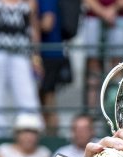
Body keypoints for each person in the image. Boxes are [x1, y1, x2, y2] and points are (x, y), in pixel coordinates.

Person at [0, 0, 44, 138]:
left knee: (26, 94)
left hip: (20, 54)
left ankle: (30, 130)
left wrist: (36, 56)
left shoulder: (29, 2)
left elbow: (33, 28)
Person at [81, 0, 123, 105]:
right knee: (92, 64)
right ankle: (92, 111)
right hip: (93, 17)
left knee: (117, 65)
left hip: (119, 16)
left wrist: (112, 9)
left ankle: (114, 106)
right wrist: (103, 12)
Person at [37, 0, 72, 132]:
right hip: (48, 53)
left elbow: (47, 24)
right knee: (43, 97)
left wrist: (29, 25)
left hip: (50, 54)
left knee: (48, 98)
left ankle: (51, 133)